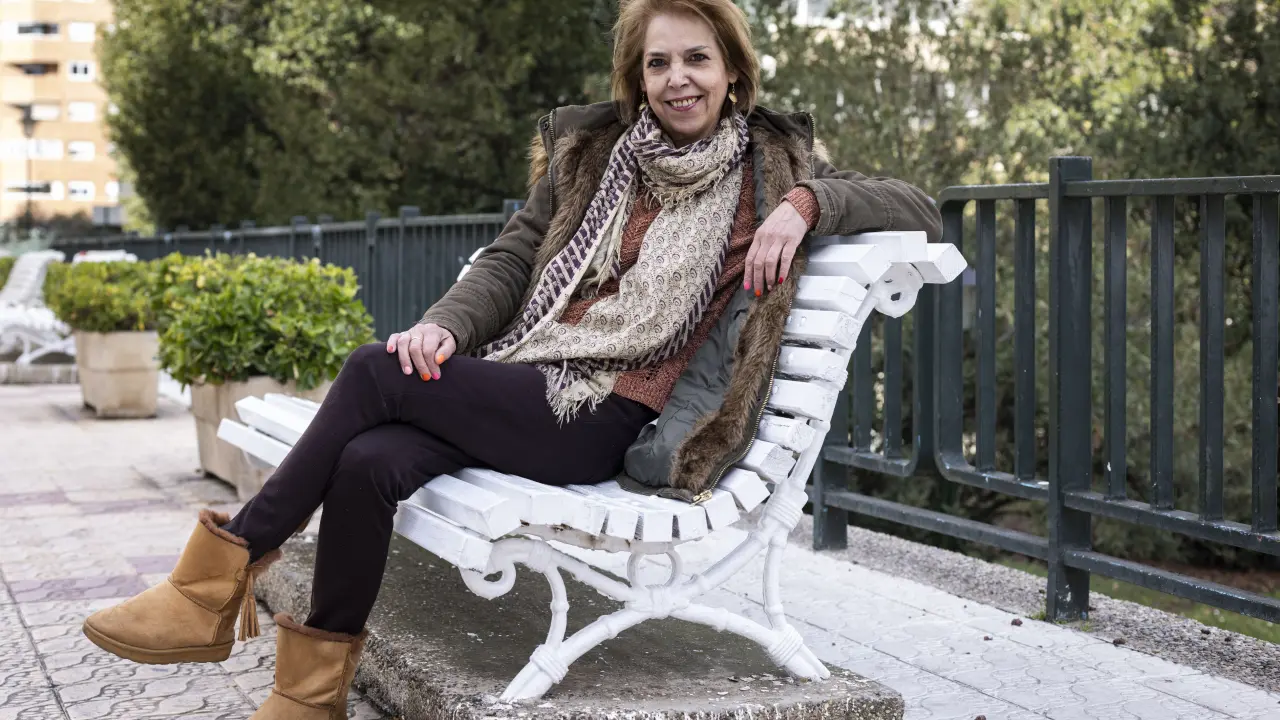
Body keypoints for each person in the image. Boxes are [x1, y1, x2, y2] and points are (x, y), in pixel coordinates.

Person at [80, 0, 942, 716]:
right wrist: (446, 329)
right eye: (658, 63)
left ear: (733, 73)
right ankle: (308, 698)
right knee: (371, 460)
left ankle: (213, 581)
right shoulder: (597, 160)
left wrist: (806, 202)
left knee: (373, 370)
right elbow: (511, 258)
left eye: (697, 59)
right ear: (636, 77)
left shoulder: (768, 167)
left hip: (607, 417)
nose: (677, 78)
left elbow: (918, 205)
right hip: (530, 379)